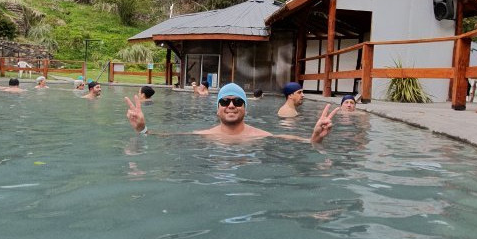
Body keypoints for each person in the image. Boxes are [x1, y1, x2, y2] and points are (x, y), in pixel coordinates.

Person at [125, 83, 335, 144]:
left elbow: (293, 139)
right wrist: (142, 129)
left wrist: (314, 138)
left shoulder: (261, 136)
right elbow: (165, 136)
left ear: (245, 107)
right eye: (225, 101)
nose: (231, 105)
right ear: (218, 109)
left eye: (238, 101)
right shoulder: (205, 135)